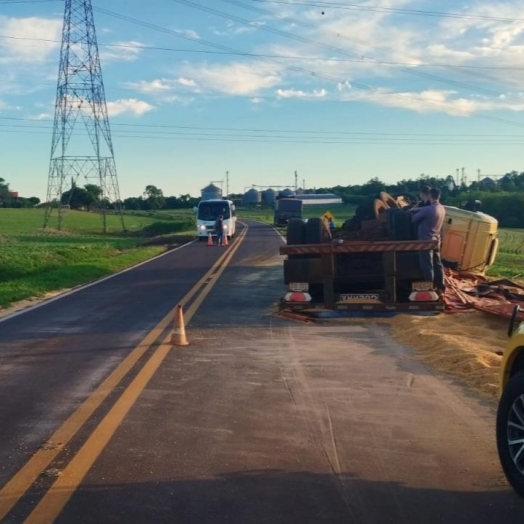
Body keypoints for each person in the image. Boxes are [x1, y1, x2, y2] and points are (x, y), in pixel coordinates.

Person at [410, 188, 446, 294]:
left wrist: (415, 208)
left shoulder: (427, 209)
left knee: (427, 266)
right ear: (439, 196)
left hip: (425, 242)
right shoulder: (441, 208)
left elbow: (413, 219)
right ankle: (441, 287)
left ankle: (429, 290)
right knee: (438, 264)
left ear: (429, 196)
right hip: (436, 240)